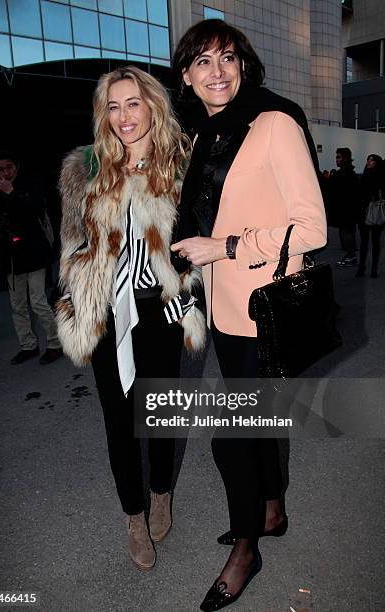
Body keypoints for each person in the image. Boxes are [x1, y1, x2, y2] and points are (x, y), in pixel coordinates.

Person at [172, 19, 327, 611]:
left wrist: (228, 246)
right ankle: (272, 510)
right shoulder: (203, 138)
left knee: (230, 436)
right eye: (203, 62)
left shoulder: (274, 124)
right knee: (256, 425)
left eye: (228, 59)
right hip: (223, 311)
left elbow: (310, 227)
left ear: (244, 67)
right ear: (186, 76)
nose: (218, 72)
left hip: (266, 310)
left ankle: (245, 550)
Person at [56, 66, 206, 571]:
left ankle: (161, 492)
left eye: (133, 103)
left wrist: (185, 290)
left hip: (158, 308)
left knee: (159, 415)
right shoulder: (86, 168)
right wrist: (82, 292)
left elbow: (196, 242)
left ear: (153, 107)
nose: (123, 116)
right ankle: (134, 517)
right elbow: (73, 245)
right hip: (106, 311)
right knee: (119, 421)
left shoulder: (181, 164)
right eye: (113, 106)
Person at [0, 151, 62, 365]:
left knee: (38, 302)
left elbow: (33, 210)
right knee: (17, 305)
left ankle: (56, 343)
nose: (5, 173)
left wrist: (11, 193)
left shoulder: (30, 183)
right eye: (0, 169)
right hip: (10, 256)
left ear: (16, 166)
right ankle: (28, 345)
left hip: (34, 253)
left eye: (8, 167)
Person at [327, 147, 360, 267]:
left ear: (345, 158)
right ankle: (351, 255)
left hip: (344, 210)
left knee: (346, 233)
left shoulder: (342, 174)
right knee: (348, 232)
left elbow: (334, 191)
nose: (336, 160)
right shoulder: (350, 173)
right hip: (349, 209)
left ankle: (350, 256)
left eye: (338, 157)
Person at [356, 154, 385, 278]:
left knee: (375, 242)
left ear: (377, 163)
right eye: (368, 159)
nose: (368, 162)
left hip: (373, 212)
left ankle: (373, 269)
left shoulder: (379, 177)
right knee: (365, 242)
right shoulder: (364, 176)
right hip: (364, 212)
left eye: (372, 160)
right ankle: (362, 268)